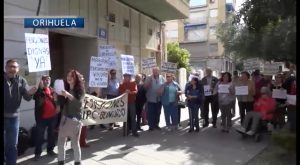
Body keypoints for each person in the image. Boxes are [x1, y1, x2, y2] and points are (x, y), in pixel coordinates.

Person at [4, 59, 37, 165]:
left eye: (15, 67)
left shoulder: (22, 80)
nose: (12, 69)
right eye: (10, 66)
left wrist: (31, 93)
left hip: (14, 118)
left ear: (18, 69)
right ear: (6, 68)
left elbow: (27, 97)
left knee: (12, 145)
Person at [56, 69, 85, 165]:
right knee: (60, 142)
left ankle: (77, 162)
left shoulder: (80, 90)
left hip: (74, 120)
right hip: (64, 119)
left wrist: (68, 95)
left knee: (75, 144)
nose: (69, 77)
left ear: (76, 78)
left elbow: (79, 105)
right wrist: (56, 98)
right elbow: (61, 104)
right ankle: (61, 161)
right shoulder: (65, 88)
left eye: (71, 76)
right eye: (68, 75)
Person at [33, 75, 58, 161]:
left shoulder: (52, 90)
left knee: (51, 135)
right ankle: (37, 153)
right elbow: (35, 97)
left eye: (48, 80)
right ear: (42, 81)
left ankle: (50, 150)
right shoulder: (39, 91)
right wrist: (39, 88)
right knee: (39, 136)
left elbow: (56, 101)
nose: (47, 81)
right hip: (41, 119)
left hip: (52, 117)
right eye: (45, 80)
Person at [79, 75, 90, 148]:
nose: (83, 81)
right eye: (82, 80)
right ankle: (79, 142)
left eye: (83, 80)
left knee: (84, 127)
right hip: (78, 110)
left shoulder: (83, 88)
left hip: (84, 109)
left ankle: (83, 141)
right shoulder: (77, 88)